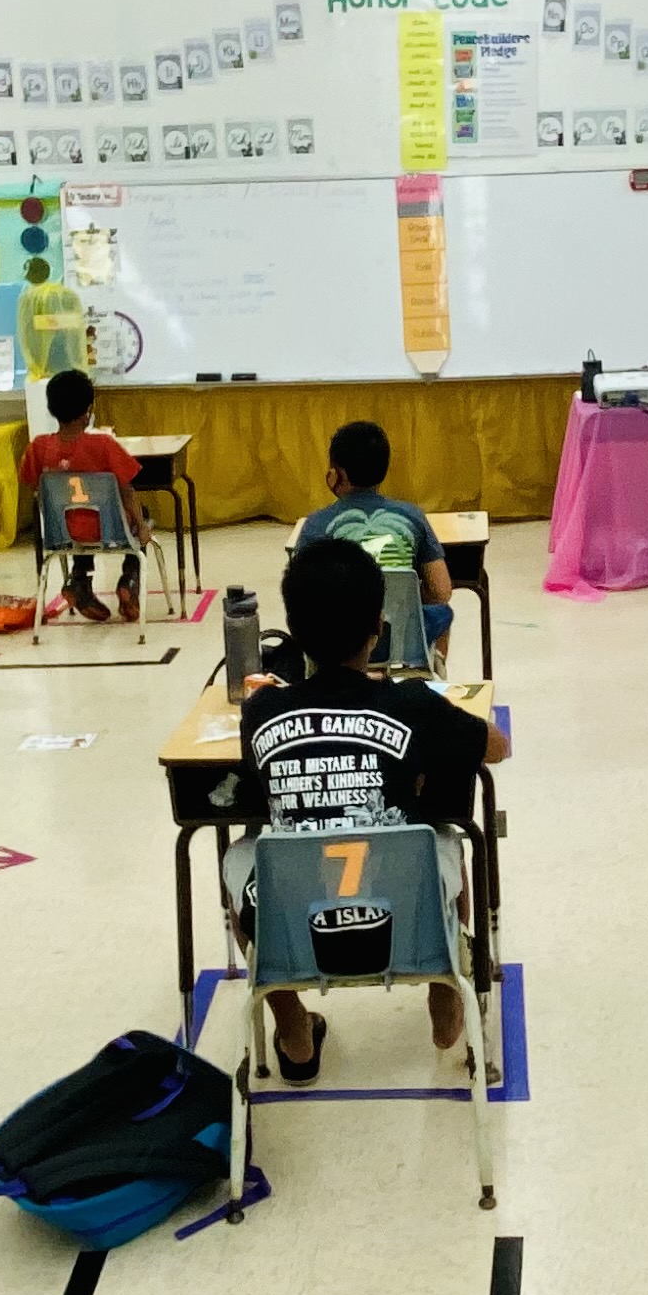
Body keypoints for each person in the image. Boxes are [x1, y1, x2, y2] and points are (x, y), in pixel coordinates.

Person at [234, 537, 506, 1082]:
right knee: (447, 835)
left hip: (294, 919)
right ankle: (444, 989)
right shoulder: (410, 704)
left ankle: (291, 1025)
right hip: (402, 914)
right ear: (378, 627)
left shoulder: (261, 710)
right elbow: (496, 747)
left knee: (242, 854)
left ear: (294, 631)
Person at [292, 419, 450, 669]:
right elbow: (442, 591)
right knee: (443, 614)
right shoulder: (412, 516)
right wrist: (406, 597)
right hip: (402, 645)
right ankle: (430, 672)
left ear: (337, 473)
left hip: (335, 645)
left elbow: (300, 598)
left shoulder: (315, 525)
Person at [17, 367, 151, 621]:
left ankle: (79, 581)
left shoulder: (38, 447)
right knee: (135, 515)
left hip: (61, 532)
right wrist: (142, 526)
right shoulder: (104, 445)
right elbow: (128, 490)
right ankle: (129, 582)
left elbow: (32, 484)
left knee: (80, 516)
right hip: (110, 530)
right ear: (87, 410)